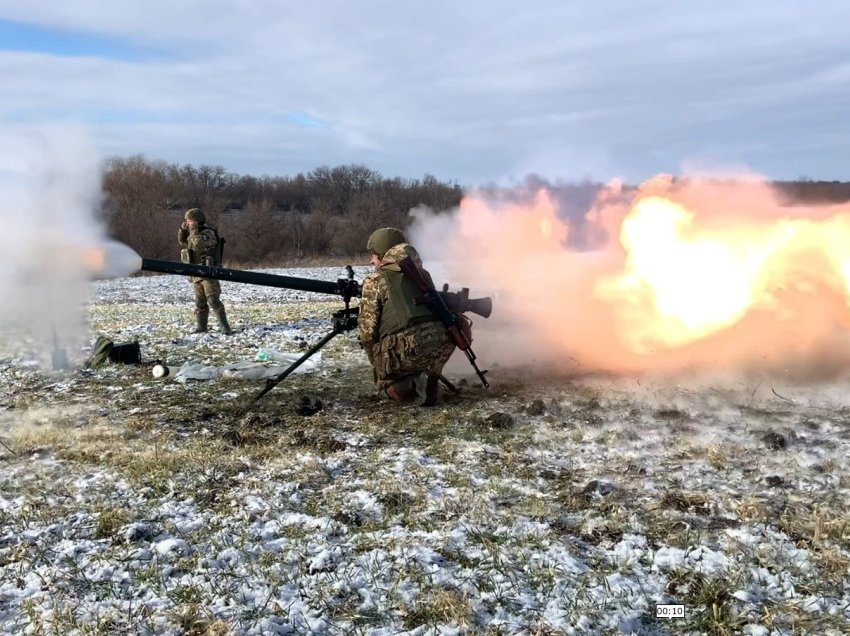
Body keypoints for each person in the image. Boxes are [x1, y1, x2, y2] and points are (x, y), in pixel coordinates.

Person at [357, 227, 465, 406]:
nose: (371, 260)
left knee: (386, 387)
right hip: (441, 345)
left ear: (383, 254)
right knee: (419, 354)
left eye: (374, 255)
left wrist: (378, 366)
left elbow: (367, 333)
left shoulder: (375, 280)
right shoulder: (423, 275)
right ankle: (428, 376)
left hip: (406, 349)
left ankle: (412, 383)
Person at [177, 208, 231, 334]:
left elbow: (198, 244)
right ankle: (201, 327)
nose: (187, 223)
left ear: (196, 221)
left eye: (189, 221)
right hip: (196, 273)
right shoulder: (192, 233)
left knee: (212, 299)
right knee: (199, 301)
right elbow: (182, 241)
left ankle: (225, 327)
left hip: (208, 272)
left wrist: (194, 230)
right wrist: (183, 230)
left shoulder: (208, 232)